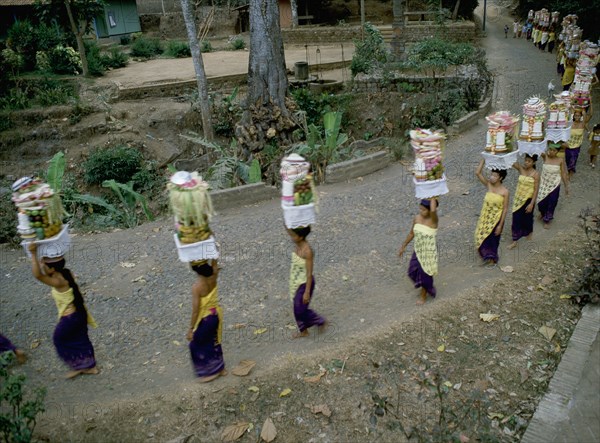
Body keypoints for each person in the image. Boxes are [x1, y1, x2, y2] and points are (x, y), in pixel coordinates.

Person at [28, 243, 98, 379]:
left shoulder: (58, 281)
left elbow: (38, 275)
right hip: (78, 314)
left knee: (59, 339)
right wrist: (42, 259)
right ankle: (91, 367)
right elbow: (45, 270)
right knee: (80, 338)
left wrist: (32, 254)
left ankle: (80, 366)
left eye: (45, 266)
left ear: (52, 269)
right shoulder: (66, 273)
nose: (42, 266)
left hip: (70, 318)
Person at [186, 259, 226, 382]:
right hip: (216, 316)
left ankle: (210, 372)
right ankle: (220, 368)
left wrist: (191, 328)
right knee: (214, 340)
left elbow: (195, 311)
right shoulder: (214, 275)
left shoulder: (197, 287)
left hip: (205, 319)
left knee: (196, 344)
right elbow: (215, 261)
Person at [287, 226, 326, 338]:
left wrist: (307, 292)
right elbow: (289, 230)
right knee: (297, 308)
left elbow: (309, 274)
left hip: (305, 283)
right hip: (295, 281)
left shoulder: (307, 251)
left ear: (300, 237)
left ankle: (320, 321)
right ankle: (304, 331)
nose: (292, 237)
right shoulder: (298, 243)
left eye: (294, 235)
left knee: (299, 309)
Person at [398, 199, 439, 305]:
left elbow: (434, 210)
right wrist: (403, 246)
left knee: (425, 274)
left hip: (428, 253)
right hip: (418, 250)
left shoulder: (434, 220)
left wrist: (433, 195)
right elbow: (412, 233)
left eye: (424, 210)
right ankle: (427, 286)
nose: (421, 211)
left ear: (430, 211)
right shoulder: (416, 218)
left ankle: (423, 296)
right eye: (420, 209)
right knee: (411, 271)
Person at [474, 159, 509, 266]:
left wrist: (501, 225)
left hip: (496, 219)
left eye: (494, 176)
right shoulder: (489, 185)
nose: (491, 177)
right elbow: (477, 173)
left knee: (493, 239)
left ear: (501, 178)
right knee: (480, 235)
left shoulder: (505, 192)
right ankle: (486, 256)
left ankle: (491, 258)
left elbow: (505, 209)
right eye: (491, 175)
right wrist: (484, 159)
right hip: (485, 217)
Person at [508, 155, 540, 250]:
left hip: (528, 200)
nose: (526, 162)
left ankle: (529, 232)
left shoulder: (535, 174)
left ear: (533, 162)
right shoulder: (521, 169)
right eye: (525, 160)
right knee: (516, 219)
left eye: (529, 161)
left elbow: (535, 190)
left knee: (527, 218)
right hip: (518, 199)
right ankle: (515, 240)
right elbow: (510, 161)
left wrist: (531, 204)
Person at [537, 143, 569, 229]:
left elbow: (563, 173)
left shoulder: (560, 160)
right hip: (544, 183)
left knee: (552, 202)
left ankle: (547, 220)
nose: (551, 152)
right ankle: (543, 213)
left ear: (557, 152)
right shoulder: (545, 157)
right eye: (550, 150)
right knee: (541, 202)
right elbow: (536, 149)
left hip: (555, 184)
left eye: (554, 150)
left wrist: (566, 186)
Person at [565, 108, 587, 178]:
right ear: (573, 116)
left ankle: (571, 172)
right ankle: (569, 170)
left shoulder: (582, 124)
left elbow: (587, 116)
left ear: (581, 117)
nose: (577, 117)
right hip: (568, 145)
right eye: (576, 115)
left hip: (576, 146)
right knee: (568, 159)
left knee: (573, 159)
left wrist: (584, 112)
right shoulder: (570, 123)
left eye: (578, 116)